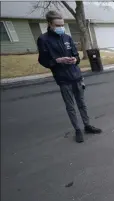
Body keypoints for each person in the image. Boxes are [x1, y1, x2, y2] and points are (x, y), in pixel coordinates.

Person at [37, 10, 102, 143]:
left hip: (76, 76)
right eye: (58, 25)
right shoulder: (43, 40)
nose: (61, 27)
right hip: (63, 79)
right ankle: (78, 129)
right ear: (50, 24)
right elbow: (43, 61)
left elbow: (76, 56)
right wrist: (57, 61)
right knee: (70, 106)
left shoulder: (67, 38)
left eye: (62, 24)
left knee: (82, 104)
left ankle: (87, 125)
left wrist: (75, 60)